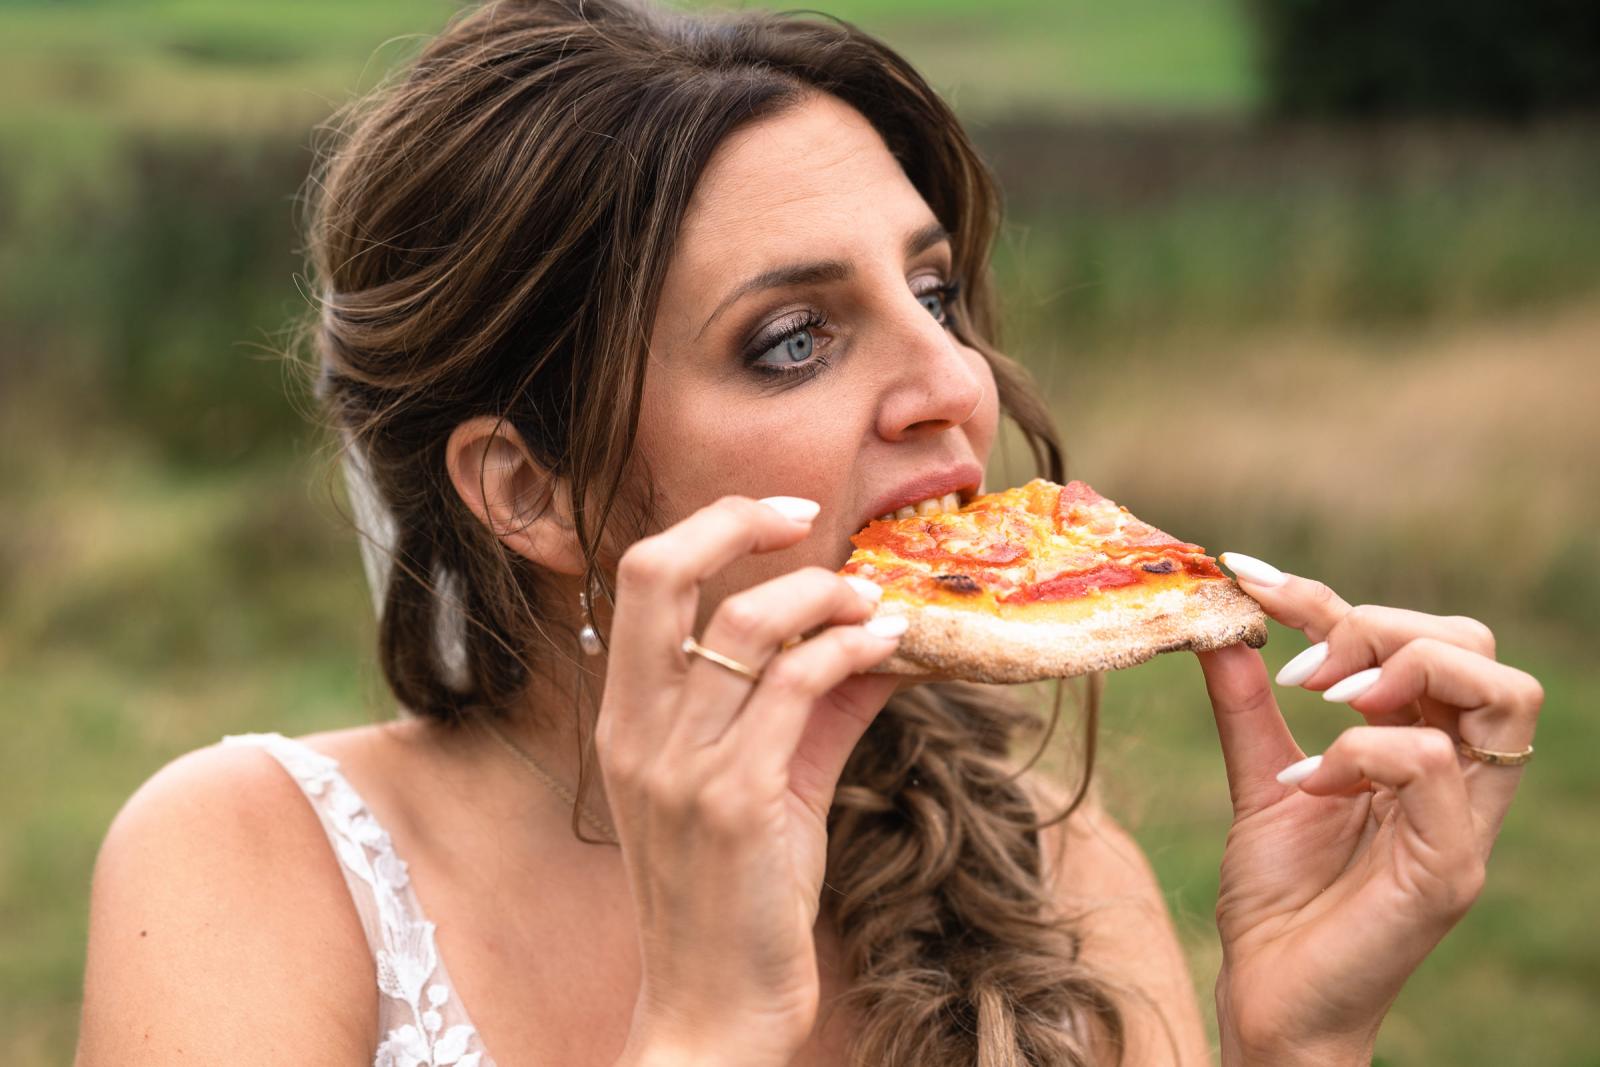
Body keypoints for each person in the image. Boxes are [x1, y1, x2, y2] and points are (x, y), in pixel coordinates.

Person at [73, 1, 1544, 1064]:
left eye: (937, 293)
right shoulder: (246, 865)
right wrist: (705, 1029)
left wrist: (1302, 1043)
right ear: (532, 492)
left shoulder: (1044, 859)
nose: (955, 384)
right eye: (792, 340)